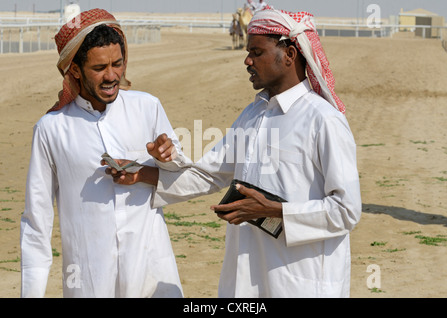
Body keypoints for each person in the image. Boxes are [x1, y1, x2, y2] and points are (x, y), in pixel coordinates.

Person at [110, 8, 361, 297]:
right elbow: (209, 174)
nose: (247, 61)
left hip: (301, 280)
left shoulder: (323, 120)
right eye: (247, 51)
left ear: (290, 55)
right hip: (247, 278)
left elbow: (347, 210)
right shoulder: (252, 115)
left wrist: (275, 211)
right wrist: (141, 173)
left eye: (256, 52)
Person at [20, 8, 185, 298]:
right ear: (74, 69)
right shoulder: (51, 129)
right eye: (99, 68)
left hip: (150, 267)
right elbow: (37, 220)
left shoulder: (147, 107)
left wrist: (167, 160)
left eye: (118, 64)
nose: (112, 76)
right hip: (88, 277)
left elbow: (185, 180)